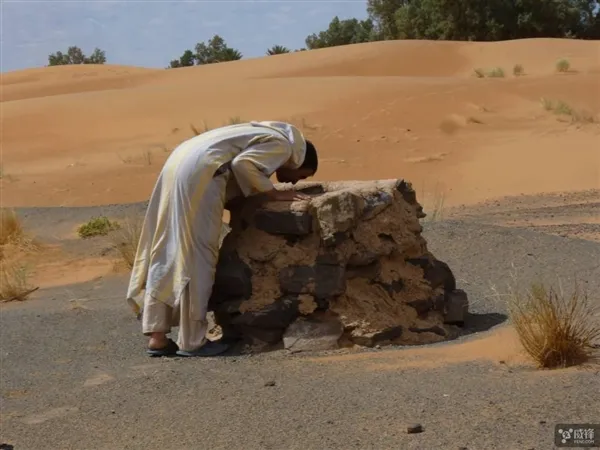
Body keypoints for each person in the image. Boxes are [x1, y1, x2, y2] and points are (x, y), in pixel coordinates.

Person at [126, 121, 318, 357]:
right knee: (198, 255)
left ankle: (157, 336)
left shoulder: (264, 132)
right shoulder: (284, 147)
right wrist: (274, 193)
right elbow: (244, 164)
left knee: (168, 248)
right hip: (201, 175)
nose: (295, 182)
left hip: (178, 165)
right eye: (301, 176)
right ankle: (193, 341)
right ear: (300, 161)